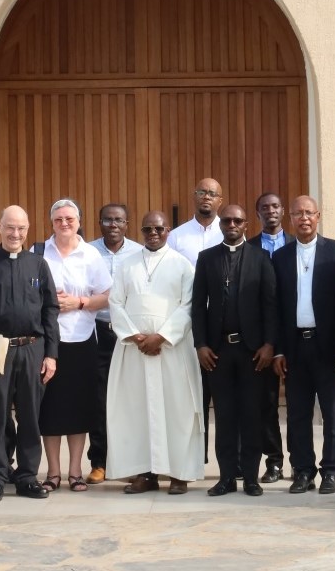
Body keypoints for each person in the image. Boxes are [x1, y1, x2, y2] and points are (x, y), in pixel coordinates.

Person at [0, 205, 60, 502]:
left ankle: (28, 476)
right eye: (9, 227)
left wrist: (51, 354)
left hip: (32, 349)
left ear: (28, 229)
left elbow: (50, 311)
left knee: (31, 415)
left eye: (20, 228)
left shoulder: (39, 266)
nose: (15, 233)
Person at [106, 211, 203, 494]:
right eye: (147, 229)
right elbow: (115, 302)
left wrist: (161, 337)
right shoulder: (127, 265)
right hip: (134, 351)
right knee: (136, 413)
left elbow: (189, 306)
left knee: (178, 411)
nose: (153, 233)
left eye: (158, 228)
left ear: (168, 230)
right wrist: (137, 337)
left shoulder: (182, 265)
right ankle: (145, 474)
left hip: (172, 351)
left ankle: (179, 475)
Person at [194, 204, 277, 496]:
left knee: (252, 414)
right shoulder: (206, 259)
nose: (231, 224)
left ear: (246, 224)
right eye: (227, 220)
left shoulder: (261, 257)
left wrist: (269, 344)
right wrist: (201, 344)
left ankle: (251, 478)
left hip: (252, 351)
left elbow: (271, 305)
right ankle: (227, 477)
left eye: (237, 221)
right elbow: (197, 306)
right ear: (220, 224)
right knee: (226, 416)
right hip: (218, 352)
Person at [271, 195, 335, 495]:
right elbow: (275, 307)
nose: (303, 218)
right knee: (297, 413)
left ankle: (331, 471)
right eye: (298, 213)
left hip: (327, 346)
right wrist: (277, 348)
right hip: (294, 347)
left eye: (309, 213)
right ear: (290, 219)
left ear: (318, 216)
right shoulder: (281, 257)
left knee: (332, 412)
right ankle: (302, 471)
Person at [37, 199, 112, 493]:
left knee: (80, 409)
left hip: (82, 340)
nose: (64, 224)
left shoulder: (90, 254)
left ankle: (75, 471)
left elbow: (107, 295)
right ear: (51, 222)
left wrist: (79, 302)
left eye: (70, 218)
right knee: (51, 410)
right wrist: (52, 303)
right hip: (48, 342)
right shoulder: (40, 253)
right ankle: (53, 472)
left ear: (79, 221)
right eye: (58, 219)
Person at [85, 202, 142, 484]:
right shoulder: (88, 251)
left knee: (130, 400)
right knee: (98, 400)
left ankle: (131, 463)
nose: (113, 225)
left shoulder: (139, 253)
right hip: (97, 332)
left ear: (127, 223)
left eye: (119, 220)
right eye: (107, 220)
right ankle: (99, 461)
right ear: (100, 222)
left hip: (128, 335)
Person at [254, 191, 287, 483]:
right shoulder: (250, 248)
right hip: (264, 338)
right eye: (265, 208)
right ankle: (273, 461)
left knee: (301, 406)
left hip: (299, 335)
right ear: (258, 214)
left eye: (275, 206)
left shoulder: (299, 244)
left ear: (283, 210)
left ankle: (305, 464)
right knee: (266, 404)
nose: (271, 211)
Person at [168, 177, 224, 265]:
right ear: (194, 197)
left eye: (212, 194)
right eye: (201, 193)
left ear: (220, 201)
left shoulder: (231, 234)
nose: (206, 197)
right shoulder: (175, 236)